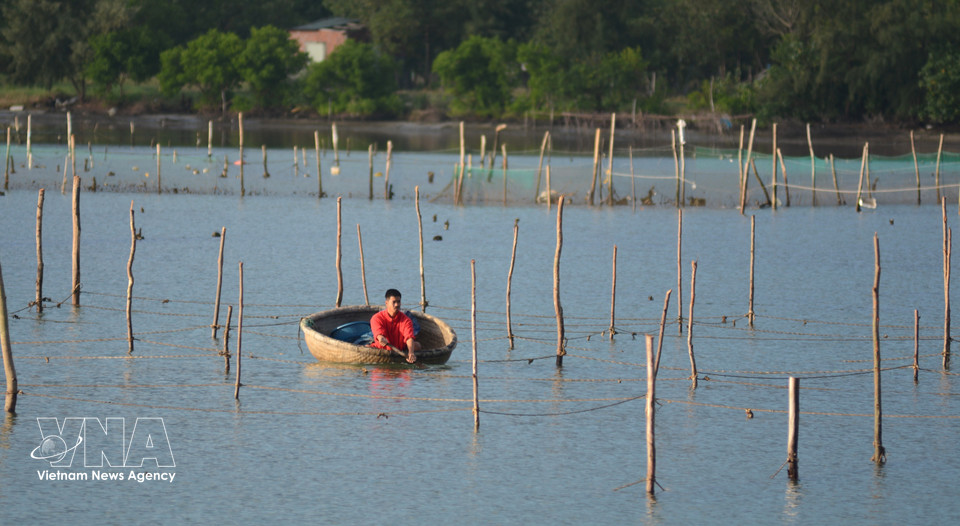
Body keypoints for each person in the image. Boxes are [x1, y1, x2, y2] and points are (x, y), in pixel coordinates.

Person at [370, 289, 420, 363]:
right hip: (381, 349)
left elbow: (409, 337)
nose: (397, 305)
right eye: (394, 302)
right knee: (367, 347)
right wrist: (381, 338)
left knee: (417, 346)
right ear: (386, 303)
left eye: (398, 302)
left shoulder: (406, 320)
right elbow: (378, 332)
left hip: (400, 349)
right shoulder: (376, 318)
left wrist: (411, 353)